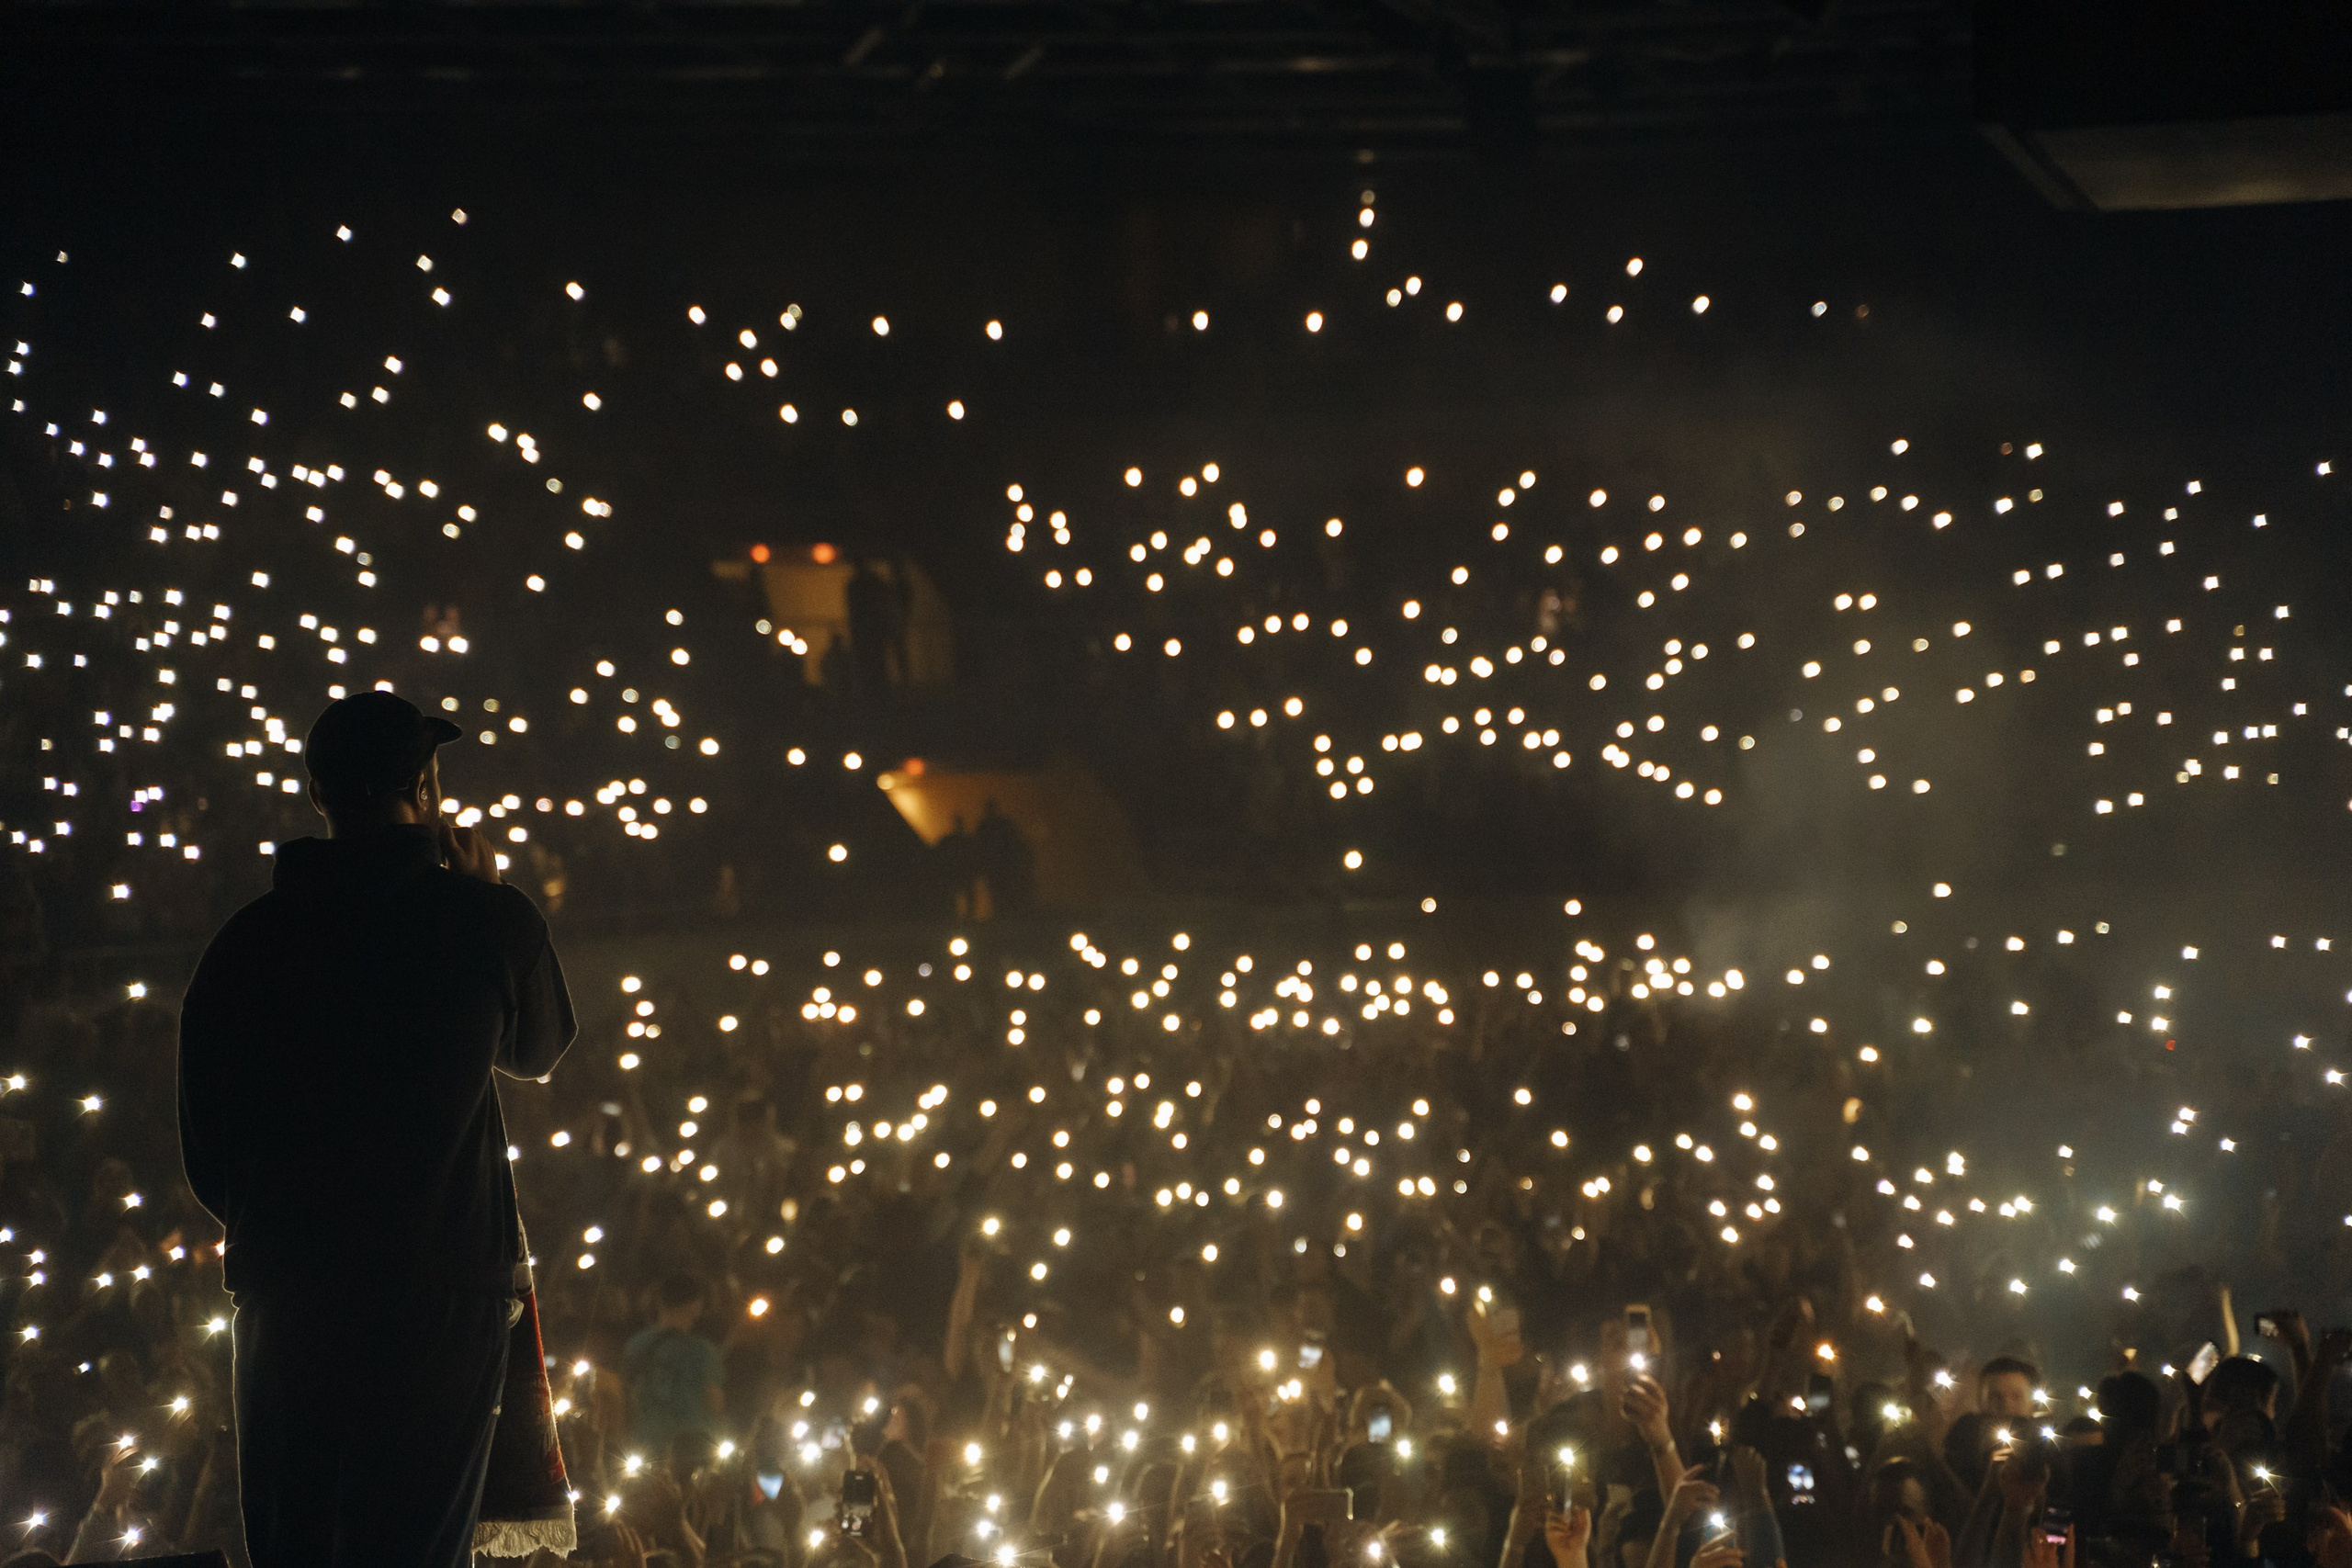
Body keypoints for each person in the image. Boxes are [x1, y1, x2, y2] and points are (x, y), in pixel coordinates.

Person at [176, 690, 576, 1568]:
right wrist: (499, 902)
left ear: (316, 792)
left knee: (300, 1541)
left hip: (291, 1298)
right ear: (426, 787)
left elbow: (209, 1160)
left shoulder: (246, 946)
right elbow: (542, 1045)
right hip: (439, 1302)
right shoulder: (475, 923)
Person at [624, 1273, 729, 1465]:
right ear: (696, 1306)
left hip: (647, 1445)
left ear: (659, 1302)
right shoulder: (702, 1351)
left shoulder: (637, 1345)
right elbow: (714, 1403)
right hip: (693, 1448)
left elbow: (629, 1397)